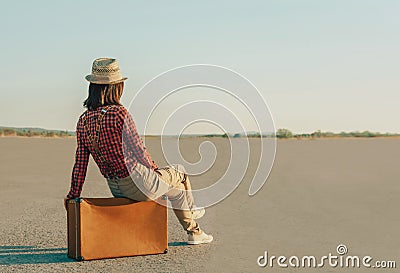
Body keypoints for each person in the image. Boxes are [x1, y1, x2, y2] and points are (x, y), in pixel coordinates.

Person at [65, 58, 213, 245]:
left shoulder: (83, 120)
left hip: (115, 186)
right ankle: (192, 211)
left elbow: (81, 163)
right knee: (180, 172)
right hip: (139, 182)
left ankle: (195, 233)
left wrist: (73, 195)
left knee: (176, 191)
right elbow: (139, 150)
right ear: (117, 87)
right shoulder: (119, 113)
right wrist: (155, 173)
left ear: (92, 87)